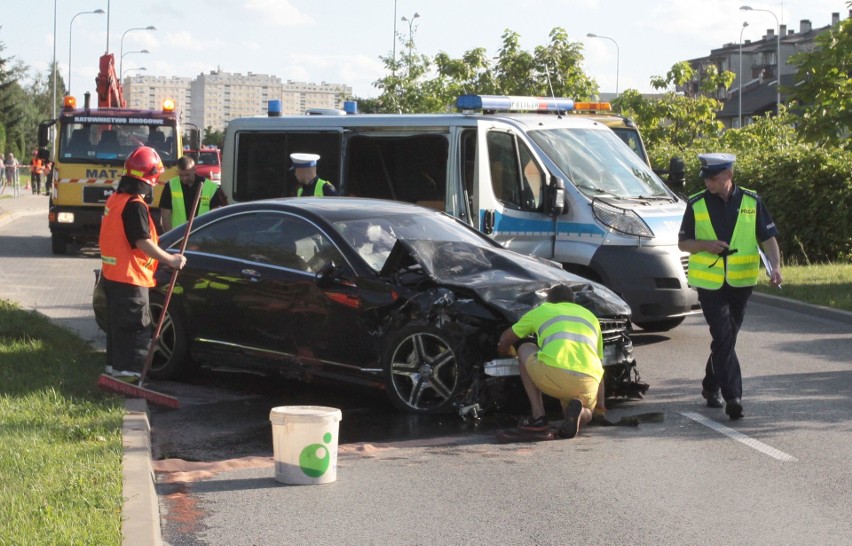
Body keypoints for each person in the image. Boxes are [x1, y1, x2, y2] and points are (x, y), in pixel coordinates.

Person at [678, 153, 782, 420]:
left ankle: (710, 385)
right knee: (723, 336)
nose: (708, 183)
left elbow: (768, 237)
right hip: (709, 283)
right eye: (706, 178)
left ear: (728, 176)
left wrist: (776, 266)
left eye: (712, 178)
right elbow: (683, 243)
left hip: (742, 281)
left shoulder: (751, 200)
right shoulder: (697, 203)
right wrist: (706, 245)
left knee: (726, 338)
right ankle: (733, 396)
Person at [99, 147, 187, 376]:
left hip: (113, 277)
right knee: (137, 330)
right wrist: (171, 259)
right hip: (131, 279)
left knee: (118, 330)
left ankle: (114, 371)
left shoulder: (116, 200)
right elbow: (142, 242)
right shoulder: (134, 204)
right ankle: (129, 378)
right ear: (150, 177)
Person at [497, 284, 606, 439]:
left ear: (549, 300)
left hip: (556, 375)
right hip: (589, 382)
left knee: (525, 348)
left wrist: (504, 350)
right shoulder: (591, 317)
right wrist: (600, 407)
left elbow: (506, 338)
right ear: (573, 302)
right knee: (586, 410)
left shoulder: (543, 310)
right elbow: (599, 365)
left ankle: (538, 416)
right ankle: (582, 413)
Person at [159, 155, 228, 231]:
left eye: (187, 175)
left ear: (194, 170)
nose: (184, 178)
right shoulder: (170, 186)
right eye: (181, 175)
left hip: (202, 235)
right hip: (178, 236)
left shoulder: (210, 187)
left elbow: (215, 215)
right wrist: (169, 237)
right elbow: (165, 215)